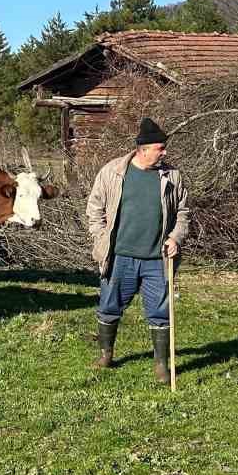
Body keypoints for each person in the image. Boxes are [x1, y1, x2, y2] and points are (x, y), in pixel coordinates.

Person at [85, 116, 190, 384]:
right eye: (160, 148)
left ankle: (161, 365)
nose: (164, 152)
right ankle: (106, 354)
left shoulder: (171, 176)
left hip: (158, 259)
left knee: (160, 311)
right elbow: (94, 208)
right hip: (120, 257)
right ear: (143, 149)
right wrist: (100, 238)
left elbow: (183, 213)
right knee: (110, 307)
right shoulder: (113, 172)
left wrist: (176, 237)